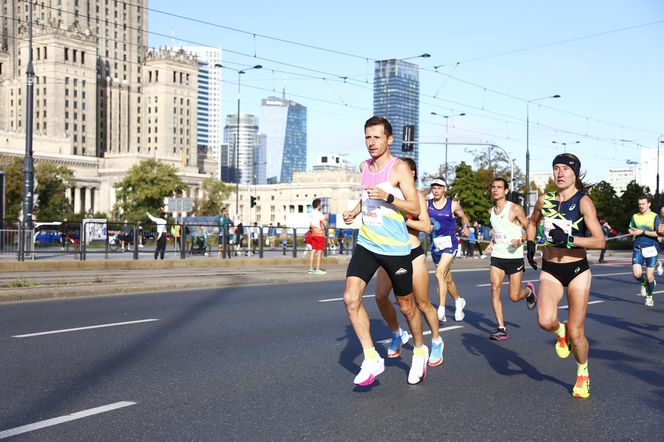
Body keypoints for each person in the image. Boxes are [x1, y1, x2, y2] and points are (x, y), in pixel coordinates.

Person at [341, 116, 426, 386]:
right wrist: (355, 211)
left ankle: (420, 352)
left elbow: (413, 208)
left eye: (377, 137)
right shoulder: (364, 166)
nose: (371, 143)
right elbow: (367, 195)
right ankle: (371, 357)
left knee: (407, 306)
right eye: (367, 137)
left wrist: (388, 196)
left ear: (389, 139)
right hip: (368, 242)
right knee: (350, 299)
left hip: (396, 249)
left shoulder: (399, 168)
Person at [526, 153, 605, 399]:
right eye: (556, 168)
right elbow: (531, 222)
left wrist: (570, 240)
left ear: (574, 174)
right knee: (545, 320)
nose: (560, 173)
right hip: (551, 269)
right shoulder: (545, 200)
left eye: (565, 169)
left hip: (577, 271)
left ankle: (583, 372)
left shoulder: (583, 202)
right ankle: (560, 331)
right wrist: (530, 243)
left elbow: (599, 240)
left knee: (577, 333)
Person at [374, 158, 444, 367]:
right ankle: (397, 333)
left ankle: (437, 341)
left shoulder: (418, 197)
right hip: (389, 251)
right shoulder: (388, 194)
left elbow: (427, 227)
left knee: (421, 303)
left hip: (413, 253)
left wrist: (404, 220)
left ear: (412, 174)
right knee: (380, 297)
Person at [484, 177, 537, 341]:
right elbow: (499, 231)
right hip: (498, 256)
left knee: (514, 297)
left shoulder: (514, 209)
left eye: (499, 187)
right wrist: (492, 243)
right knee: (494, 288)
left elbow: (530, 227)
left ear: (506, 191)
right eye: (493, 187)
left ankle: (529, 292)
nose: (495, 190)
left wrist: (521, 240)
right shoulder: (490, 211)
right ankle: (501, 328)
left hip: (514, 257)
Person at [428, 178, 468, 322]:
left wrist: (465, 227)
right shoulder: (427, 205)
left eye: (439, 187)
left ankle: (441, 309)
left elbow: (464, 217)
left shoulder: (453, 205)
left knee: (439, 274)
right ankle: (458, 300)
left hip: (450, 244)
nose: (436, 190)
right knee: (446, 278)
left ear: (445, 189)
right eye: (434, 188)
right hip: (435, 246)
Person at [628, 195, 661, 307]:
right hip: (638, 248)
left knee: (649, 276)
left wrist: (642, 232)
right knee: (637, 274)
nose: (641, 206)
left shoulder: (655, 217)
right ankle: (644, 282)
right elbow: (631, 227)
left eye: (643, 204)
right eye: (639, 204)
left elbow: (659, 233)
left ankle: (649, 297)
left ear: (649, 204)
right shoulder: (635, 216)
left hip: (652, 248)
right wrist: (631, 231)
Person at [308, 199, 327, 274]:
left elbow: (311, 224)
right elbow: (325, 223)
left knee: (313, 251)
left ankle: (311, 268)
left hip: (313, 233)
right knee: (319, 252)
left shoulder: (311, 214)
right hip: (320, 234)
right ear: (318, 205)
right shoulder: (320, 214)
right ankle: (318, 269)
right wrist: (326, 218)